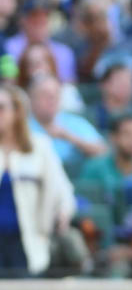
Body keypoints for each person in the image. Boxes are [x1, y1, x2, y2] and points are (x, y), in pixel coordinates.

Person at [0, 83, 76, 277]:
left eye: (1, 108)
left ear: (17, 111)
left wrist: (63, 213)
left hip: (27, 242)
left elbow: (63, 191)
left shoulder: (40, 147)